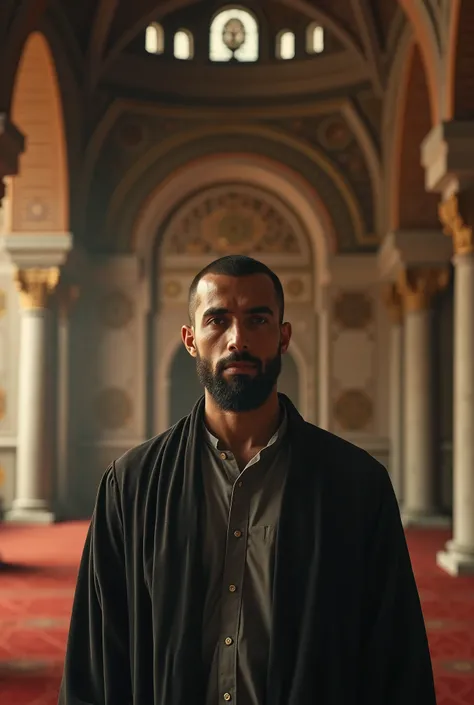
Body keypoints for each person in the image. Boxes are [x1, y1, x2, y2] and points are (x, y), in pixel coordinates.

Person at [58, 254, 436, 705]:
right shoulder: (132, 485)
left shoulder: (356, 486)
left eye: (257, 319)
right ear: (191, 339)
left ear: (283, 336)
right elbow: (97, 660)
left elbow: (395, 656)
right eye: (218, 320)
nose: (238, 339)